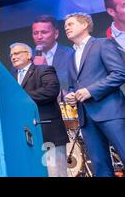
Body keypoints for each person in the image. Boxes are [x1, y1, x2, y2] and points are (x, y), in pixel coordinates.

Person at [63, 12, 125, 177]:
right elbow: (72, 86)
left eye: (70, 24)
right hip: (86, 119)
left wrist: (91, 90)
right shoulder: (71, 56)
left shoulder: (102, 44)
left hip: (111, 112)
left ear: (84, 25)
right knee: (100, 167)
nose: (66, 28)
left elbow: (120, 73)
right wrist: (70, 95)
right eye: (65, 26)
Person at [10, 42, 69, 177]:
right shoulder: (11, 78)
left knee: (56, 173)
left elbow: (51, 91)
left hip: (48, 133)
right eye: (11, 55)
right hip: (25, 136)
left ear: (29, 55)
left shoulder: (44, 69)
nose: (13, 57)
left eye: (17, 53)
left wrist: (21, 99)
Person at [31, 15, 74, 101]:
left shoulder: (70, 54)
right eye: (35, 33)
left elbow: (76, 83)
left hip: (63, 106)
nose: (39, 37)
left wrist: (46, 69)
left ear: (56, 34)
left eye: (44, 32)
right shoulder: (27, 56)